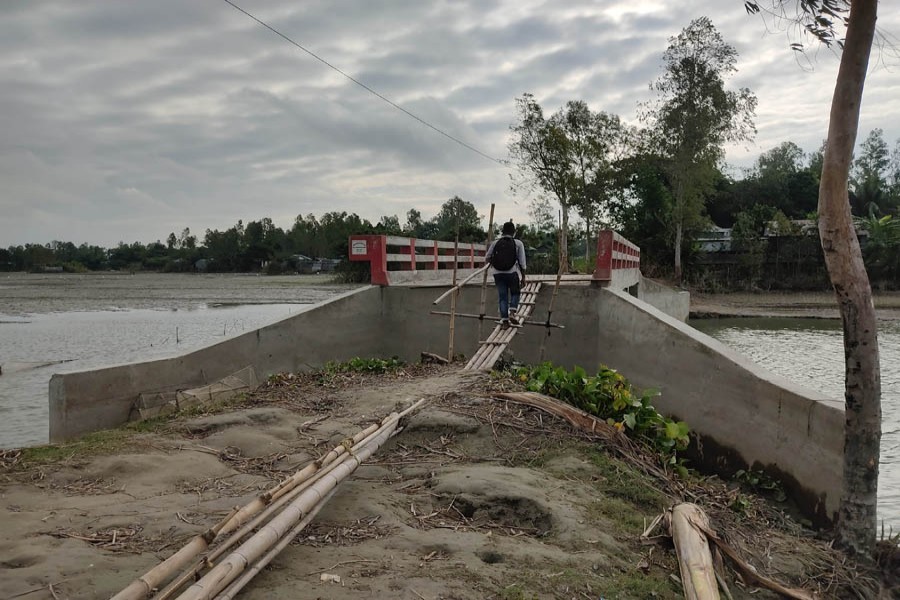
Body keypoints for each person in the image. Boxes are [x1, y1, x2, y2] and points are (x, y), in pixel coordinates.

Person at [484, 221, 527, 328]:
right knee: (515, 293)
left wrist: (493, 264)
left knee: (502, 297)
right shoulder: (518, 243)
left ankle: (504, 322)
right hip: (512, 273)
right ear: (514, 232)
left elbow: (487, 257)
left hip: (498, 274)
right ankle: (512, 313)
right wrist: (523, 277)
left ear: (503, 231)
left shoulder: (495, 243)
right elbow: (522, 262)